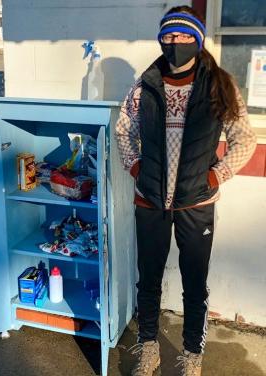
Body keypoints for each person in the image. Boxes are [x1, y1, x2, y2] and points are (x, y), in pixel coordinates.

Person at [115, 5, 257, 376]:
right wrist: (135, 167)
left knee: (195, 281)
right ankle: (149, 348)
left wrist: (216, 176)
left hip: (197, 203)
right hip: (150, 201)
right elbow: (123, 131)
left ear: (197, 39)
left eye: (183, 36)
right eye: (168, 36)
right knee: (149, 277)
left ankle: (192, 355)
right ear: (161, 39)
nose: (175, 43)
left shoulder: (218, 85)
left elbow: (245, 139)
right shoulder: (145, 85)